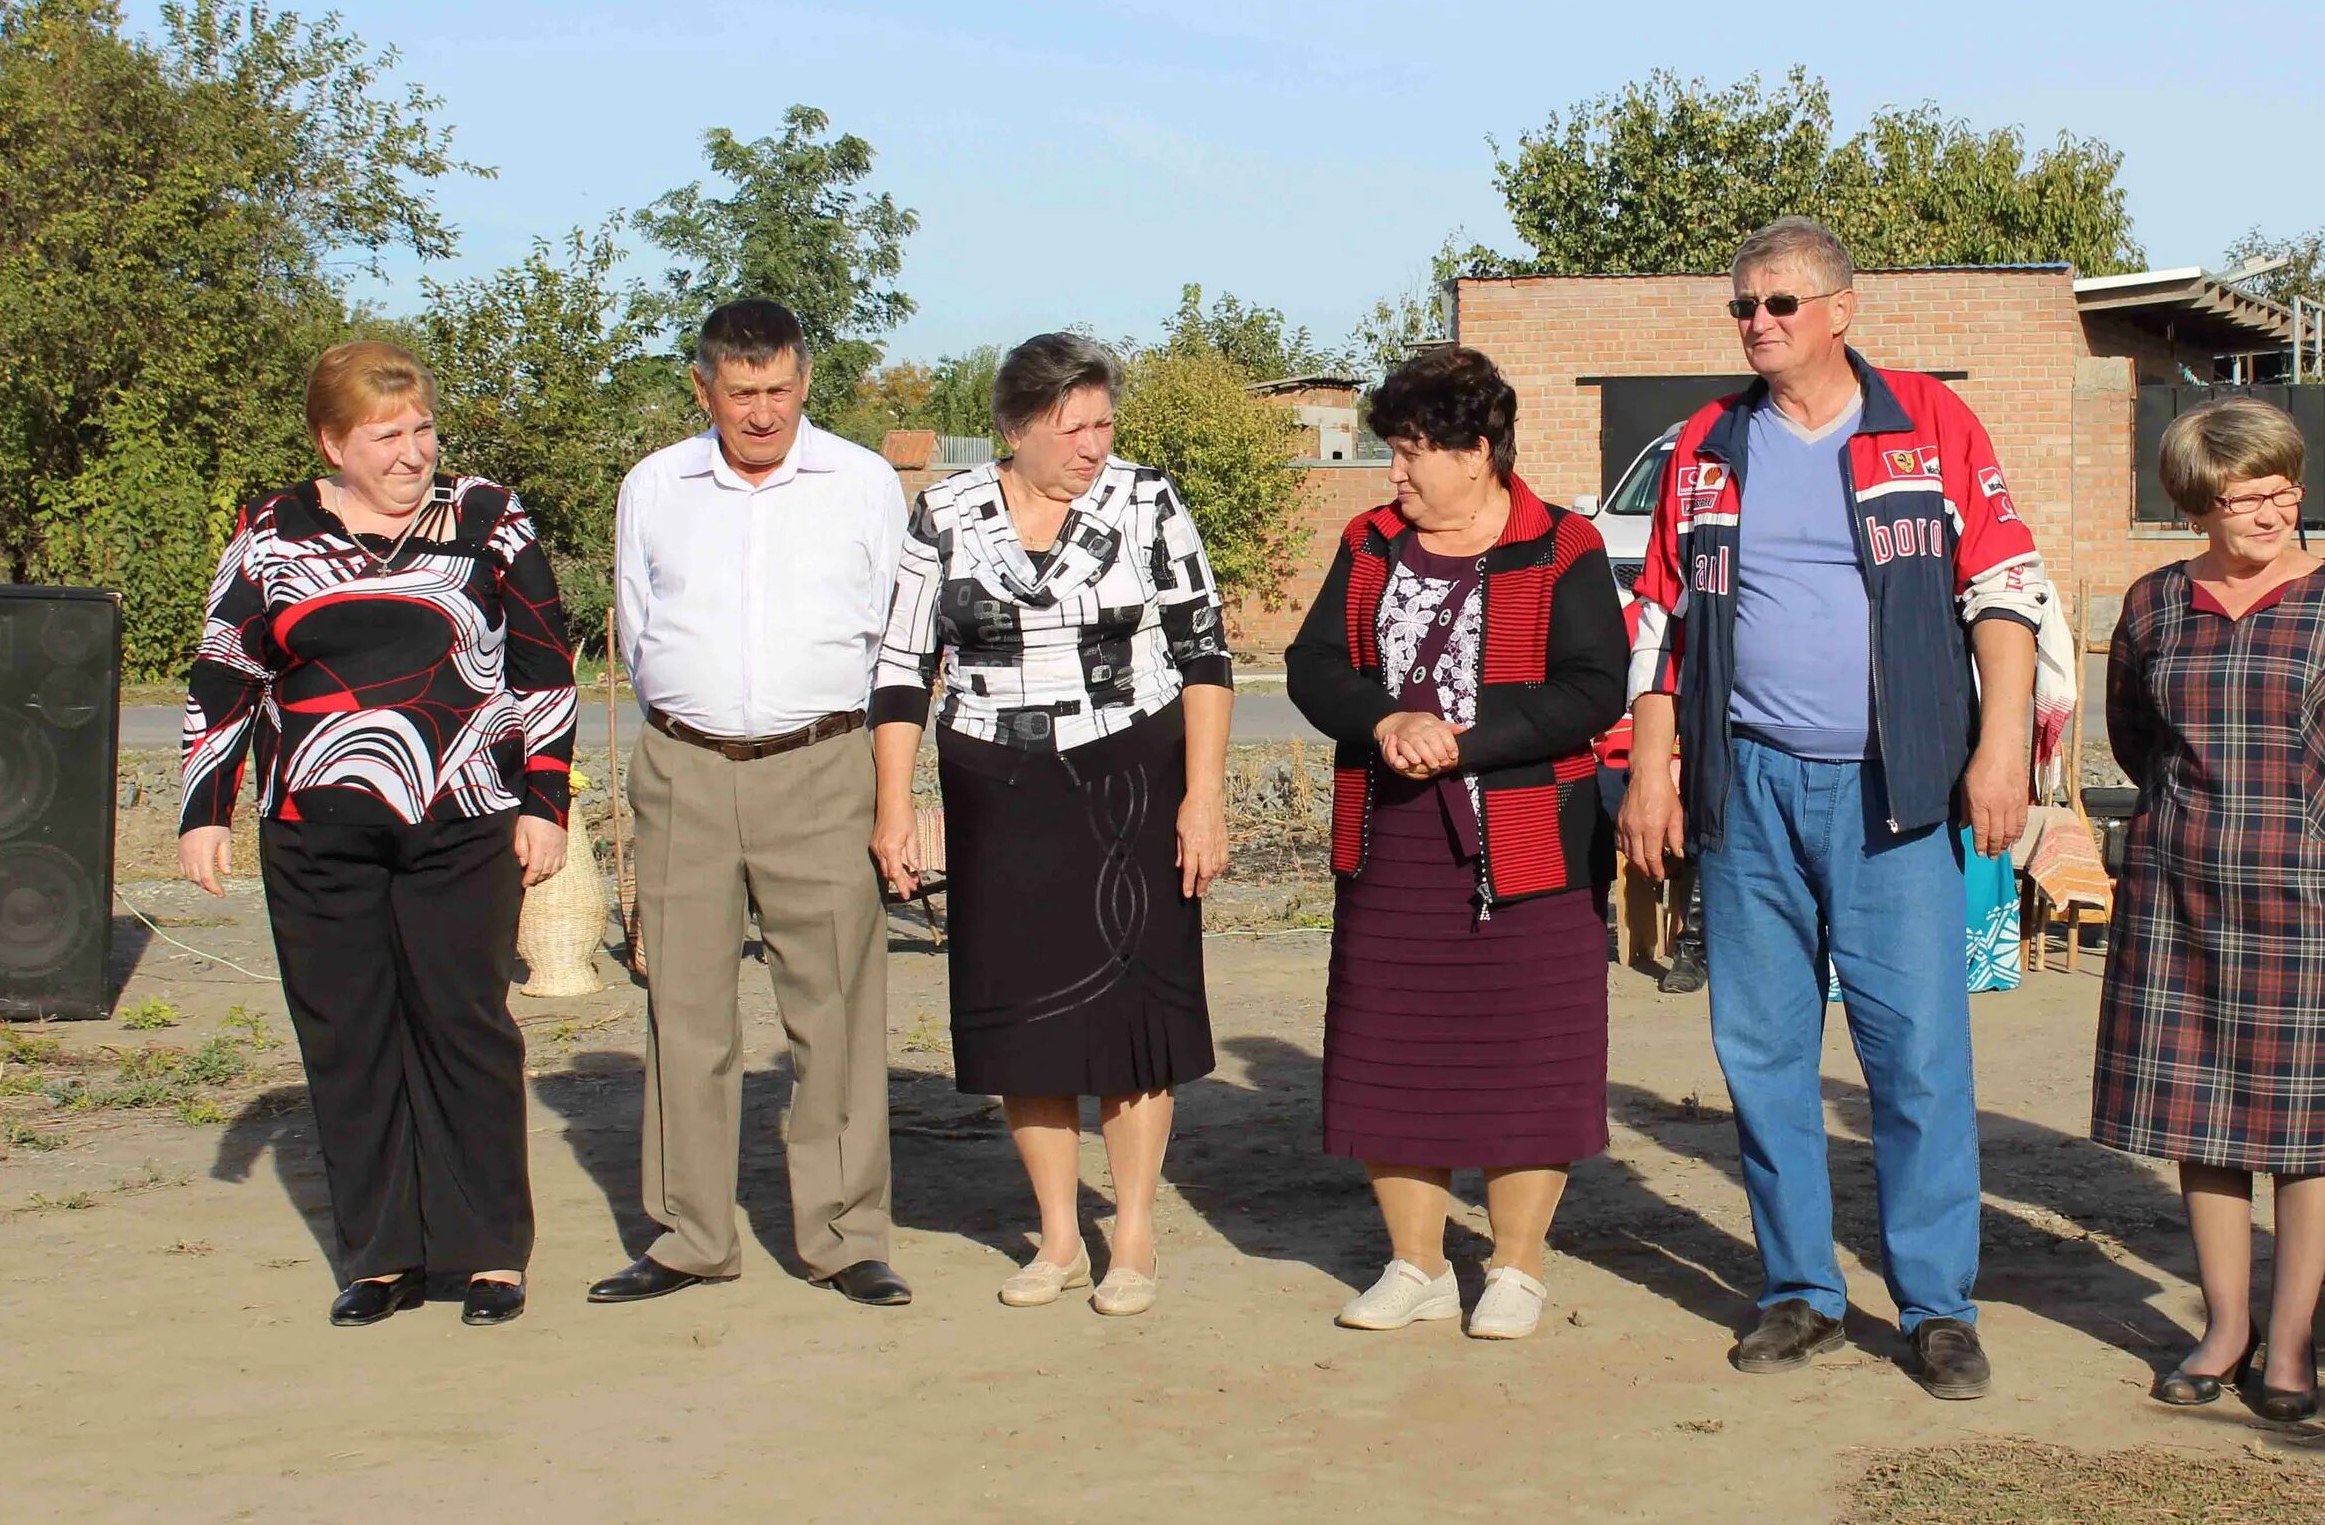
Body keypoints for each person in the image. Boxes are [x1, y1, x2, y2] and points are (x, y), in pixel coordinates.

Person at [1619, 216, 2072, 1398]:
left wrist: (2001, 746)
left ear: (1840, 308)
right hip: (1749, 784)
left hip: (1897, 784)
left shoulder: (1928, 422)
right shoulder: (1707, 445)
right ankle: (1800, 1289)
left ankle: (1935, 1305)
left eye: (1778, 303)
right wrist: (1655, 770)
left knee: (1915, 1053)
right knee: (1762, 1050)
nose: (1757, 323)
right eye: (1742, 306)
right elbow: (1661, 620)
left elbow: (2005, 592)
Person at [179, 340, 574, 1329]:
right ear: (332, 443)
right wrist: (203, 808)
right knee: (348, 1035)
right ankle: (382, 1253)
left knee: (463, 1023)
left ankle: (489, 1252)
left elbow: (543, 665)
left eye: (423, 429)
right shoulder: (272, 528)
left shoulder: (487, 518)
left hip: (466, 820)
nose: (412, 452)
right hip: (316, 829)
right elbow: (226, 669)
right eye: (385, 435)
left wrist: (547, 803)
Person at [871, 333, 1233, 1318]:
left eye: (1103, 422)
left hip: (1133, 774)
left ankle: (1135, 1235)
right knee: (1021, 1015)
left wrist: (1203, 795)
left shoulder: (1148, 500)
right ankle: (1061, 1235)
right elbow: (902, 667)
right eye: (1072, 427)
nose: (1093, 444)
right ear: (1016, 426)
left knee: (1132, 1014)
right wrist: (895, 804)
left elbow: (1204, 653)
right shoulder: (943, 512)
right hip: (998, 782)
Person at [1286, 346, 1629, 1340]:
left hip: (1530, 848)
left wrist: (1468, 742)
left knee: (1531, 1059)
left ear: (1478, 450)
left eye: (1412, 451)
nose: (1396, 473)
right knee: (1390, 1052)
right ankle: (1417, 1262)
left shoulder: (1563, 544)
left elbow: (1590, 689)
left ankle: (1516, 1268)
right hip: (1393, 840)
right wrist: (1388, 719)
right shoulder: (1368, 543)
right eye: (1394, 452)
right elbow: (1312, 664)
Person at [2094, 400, 2325, 1420]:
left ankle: (2291, 1337)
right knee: (2206, 1115)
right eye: (2252, 496)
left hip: (2316, 898)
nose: (2277, 510)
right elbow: (2133, 735)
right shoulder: (2154, 605)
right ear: (2200, 501)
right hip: (2184, 896)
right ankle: (2225, 1324)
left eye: (2288, 490)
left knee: (2309, 1128)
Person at [594, 299, 914, 1310]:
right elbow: (641, 633)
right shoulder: (654, 486)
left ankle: (843, 1234)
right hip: (684, 769)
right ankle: (690, 1234)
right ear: (704, 389)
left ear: (805, 381)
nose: (763, 413)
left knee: (836, 1011)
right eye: (742, 394)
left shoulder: (862, 483)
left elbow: (898, 639)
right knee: (684, 1008)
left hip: (824, 766)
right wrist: (697, 723)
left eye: (779, 390)